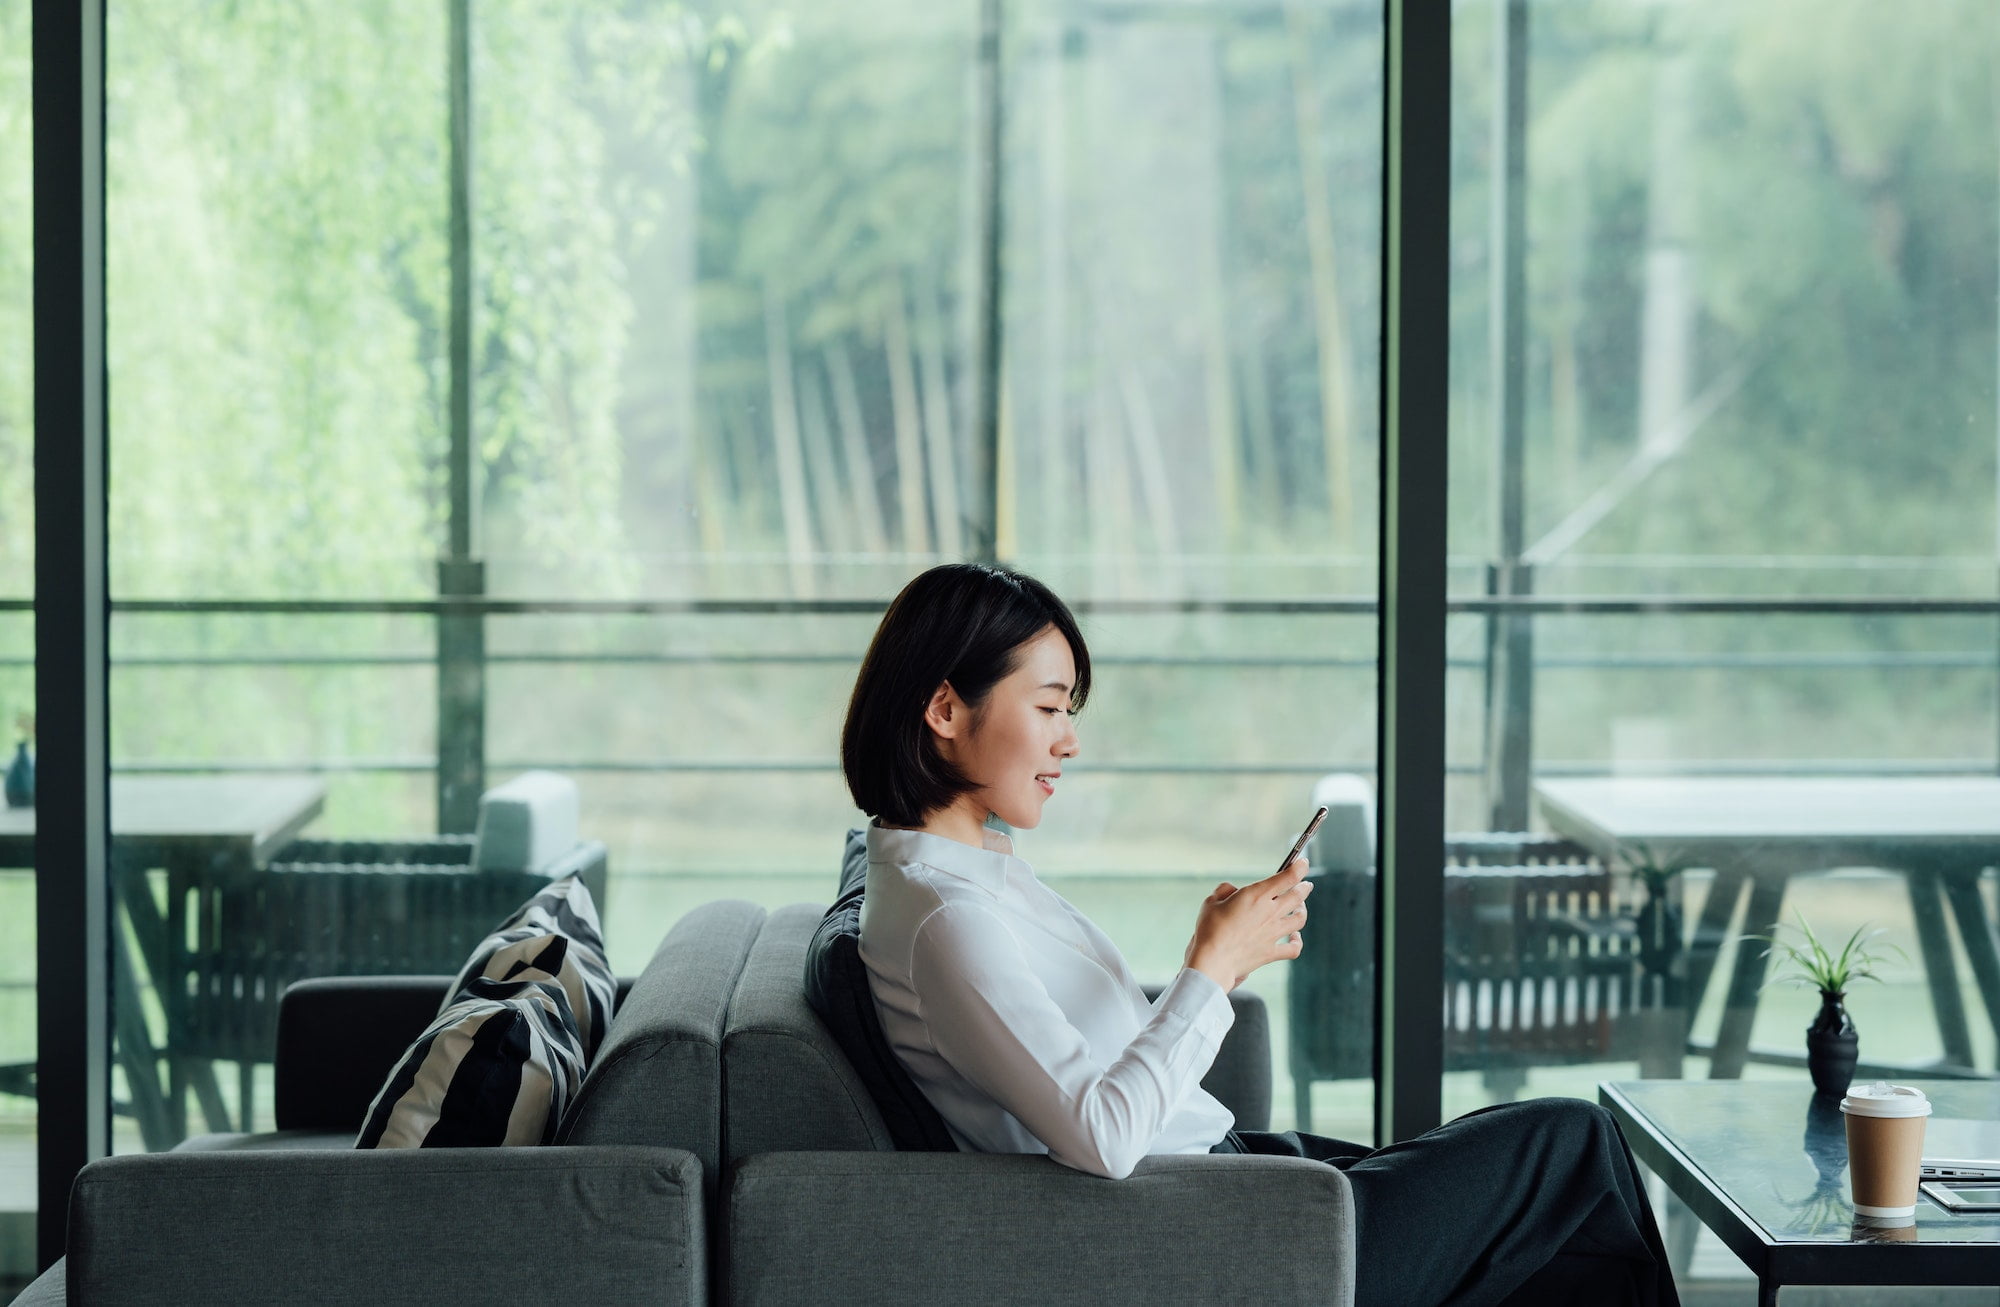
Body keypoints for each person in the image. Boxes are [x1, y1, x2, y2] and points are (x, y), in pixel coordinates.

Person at [844, 562, 1680, 1307]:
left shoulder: (968, 872)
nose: (1070, 739)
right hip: (1220, 1226)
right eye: (1051, 706)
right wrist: (1212, 969)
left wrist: (1217, 964)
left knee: (1564, 1244)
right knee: (1575, 1143)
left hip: (1237, 1171)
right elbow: (1100, 1132)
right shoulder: (947, 921)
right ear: (946, 708)